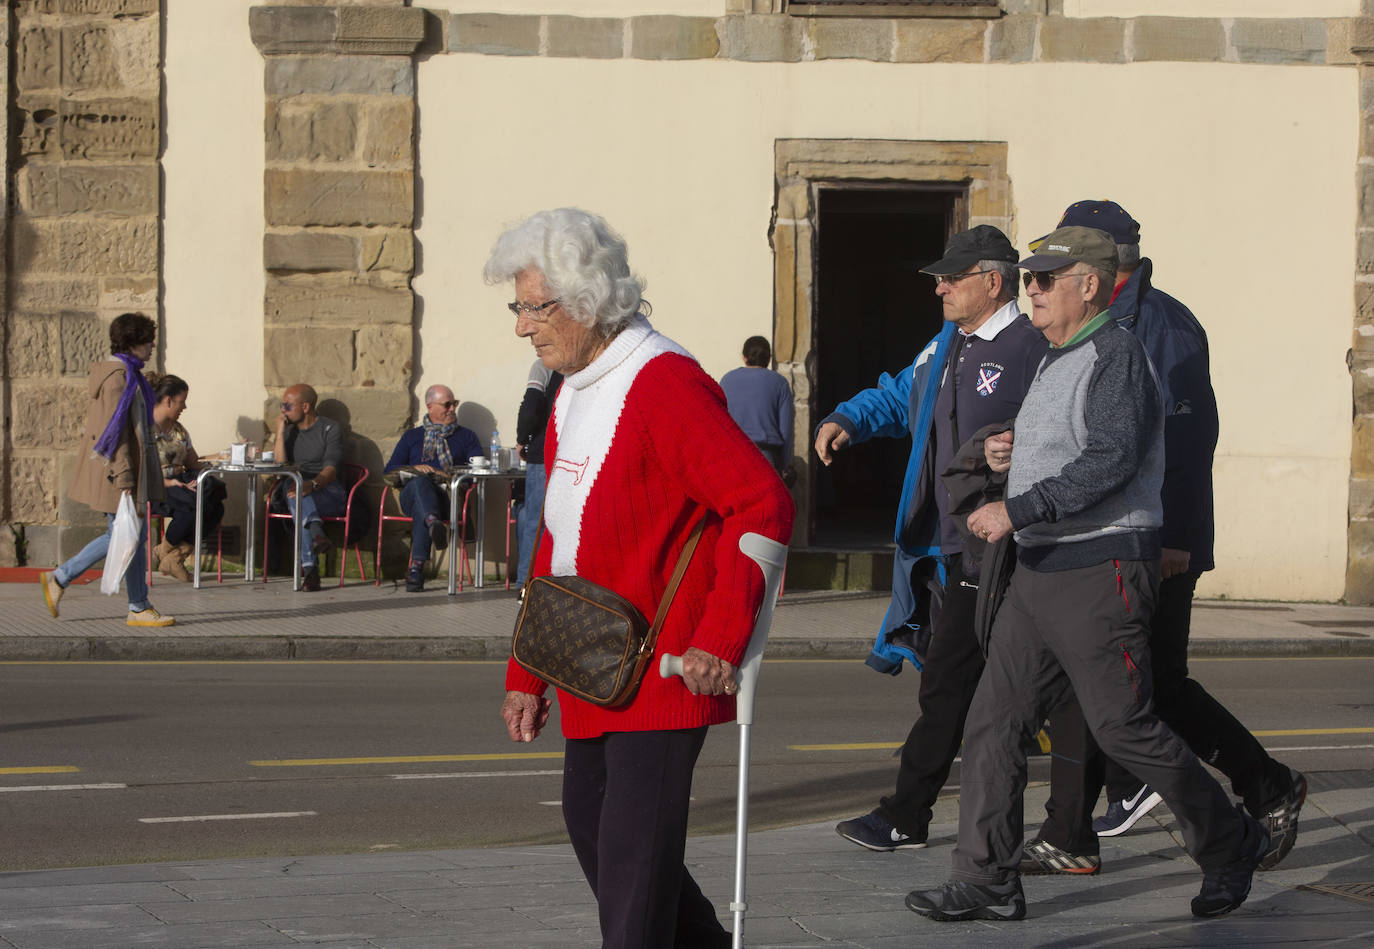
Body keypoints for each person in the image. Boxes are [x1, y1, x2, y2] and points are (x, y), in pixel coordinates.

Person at [906, 226, 1267, 924]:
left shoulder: (1117, 356)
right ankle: (986, 878)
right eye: (1029, 278)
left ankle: (1229, 842)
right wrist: (1007, 454)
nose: (1031, 288)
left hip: (1099, 572)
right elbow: (1066, 449)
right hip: (1040, 572)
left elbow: (1110, 461)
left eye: (1046, 278)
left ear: (1091, 285)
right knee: (993, 723)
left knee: (1123, 727)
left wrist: (1018, 508)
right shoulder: (1054, 356)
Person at [488, 208, 794, 949]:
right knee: (598, 830)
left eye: (536, 307)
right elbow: (555, 534)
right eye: (518, 306)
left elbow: (760, 501)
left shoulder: (663, 384)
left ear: (588, 300)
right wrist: (526, 671)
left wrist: (722, 637)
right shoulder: (576, 386)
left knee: (630, 864)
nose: (524, 327)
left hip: (666, 665)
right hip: (591, 657)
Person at [1023, 201, 1305, 875]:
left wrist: (1176, 535)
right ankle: (1070, 829)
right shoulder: (1097, 320)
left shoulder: (1161, 324)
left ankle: (1265, 785)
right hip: (1100, 542)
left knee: (1157, 689)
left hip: (1154, 541)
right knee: (1097, 685)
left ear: (1104, 261)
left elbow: (1184, 437)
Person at [817, 225, 1048, 852]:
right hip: (944, 549)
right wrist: (848, 418)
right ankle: (931, 816)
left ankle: (915, 814)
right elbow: (900, 396)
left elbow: (1060, 439)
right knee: (953, 684)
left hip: (1005, 551)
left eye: (952, 276)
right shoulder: (947, 343)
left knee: (982, 687)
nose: (939, 286)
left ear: (992, 282)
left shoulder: (1032, 348)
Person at [39, 312, 175, 627]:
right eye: (147, 339)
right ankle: (63, 579)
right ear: (132, 343)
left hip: (123, 472)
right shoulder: (118, 378)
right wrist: (126, 477)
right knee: (124, 536)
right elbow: (116, 433)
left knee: (132, 535)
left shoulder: (129, 374)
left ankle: (137, 605)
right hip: (120, 473)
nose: (152, 344)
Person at [382, 384, 482, 593]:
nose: (452, 409)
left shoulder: (467, 437)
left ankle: (417, 567)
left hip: (450, 498)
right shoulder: (412, 437)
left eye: (454, 404)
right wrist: (415, 468)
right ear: (430, 407)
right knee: (420, 483)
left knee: (425, 510)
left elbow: (475, 475)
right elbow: (390, 470)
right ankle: (431, 522)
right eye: (447, 404)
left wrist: (448, 476)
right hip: (411, 495)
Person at [147, 373, 227, 582]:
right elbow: (141, 471)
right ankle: (165, 553)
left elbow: (193, 463)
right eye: (182, 402)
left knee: (215, 504)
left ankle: (172, 556)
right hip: (155, 487)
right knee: (193, 504)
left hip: (180, 484)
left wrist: (220, 458)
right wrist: (170, 482)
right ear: (168, 400)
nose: (185, 407)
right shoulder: (144, 429)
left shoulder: (179, 431)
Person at [272, 383, 345, 592]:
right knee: (295, 490)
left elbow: (331, 469)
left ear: (305, 407)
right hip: (297, 489)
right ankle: (316, 533)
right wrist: (280, 432)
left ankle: (311, 571)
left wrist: (312, 485)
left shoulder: (330, 429)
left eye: (287, 406)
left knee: (298, 496)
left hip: (328, 490)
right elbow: (280, 467)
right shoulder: (289, 431)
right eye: (281, 405)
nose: (282, 410)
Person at [513, 360, 562, 588]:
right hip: (576, 452)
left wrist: (523, 438)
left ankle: (527, 582)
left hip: (543, 452)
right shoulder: (587, 359)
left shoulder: (545, 365)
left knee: (535, 520)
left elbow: (531, 406)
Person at [720, 335, 794, 477]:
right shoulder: (779, 383)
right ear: (769, 358)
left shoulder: (727, 380)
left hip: (731, 456)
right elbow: (786, 429)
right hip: (764, 458)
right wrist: (784, 465)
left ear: (744, 357)